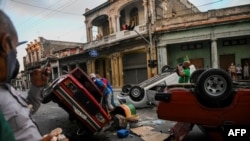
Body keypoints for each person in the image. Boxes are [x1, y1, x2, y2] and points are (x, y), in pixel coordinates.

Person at [0, 10, 68, 141]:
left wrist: (36, 87)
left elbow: (26, 111)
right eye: (14, 49)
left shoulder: (6, 88)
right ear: (5, 43)